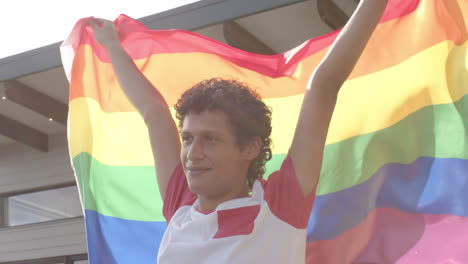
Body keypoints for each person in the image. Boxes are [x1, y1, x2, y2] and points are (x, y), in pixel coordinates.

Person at [89, 0, 388, 262]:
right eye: (188, 138)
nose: (193, 153)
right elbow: (153, 112)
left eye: (211, 139)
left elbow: (324, 84)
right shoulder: (180, 207)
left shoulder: (278, 208)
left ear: (250, 148)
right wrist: (113, 46)